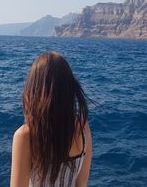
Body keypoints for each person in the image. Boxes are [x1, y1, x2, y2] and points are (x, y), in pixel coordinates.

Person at [10, 52, 92, 187]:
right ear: (69, 88)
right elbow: (81, 183)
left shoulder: (25, 136)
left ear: (34, 88)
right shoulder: (83, 128)